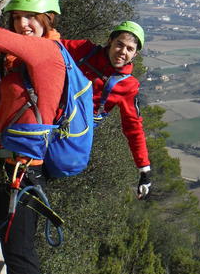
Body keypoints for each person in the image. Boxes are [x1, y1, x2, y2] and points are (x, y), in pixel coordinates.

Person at [0, 0, 66, 274]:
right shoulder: (25, 56)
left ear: (49, 19)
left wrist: (7, 44)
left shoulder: (46, 52)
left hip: (21, 175)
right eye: (16, 17)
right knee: (14, 251)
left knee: (20, 258)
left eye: (31, 17)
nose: (22, 24)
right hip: (8, 168)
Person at [61, 21, 152, 198]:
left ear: (135, 54)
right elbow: (52, 46)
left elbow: (133, 128)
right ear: (110, 41)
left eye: (130, 49)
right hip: (51, 112)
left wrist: (144, 170)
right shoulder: (84, 50)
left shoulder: (127, 85)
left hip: (74, 134)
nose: (123, 52)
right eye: (120, 44)